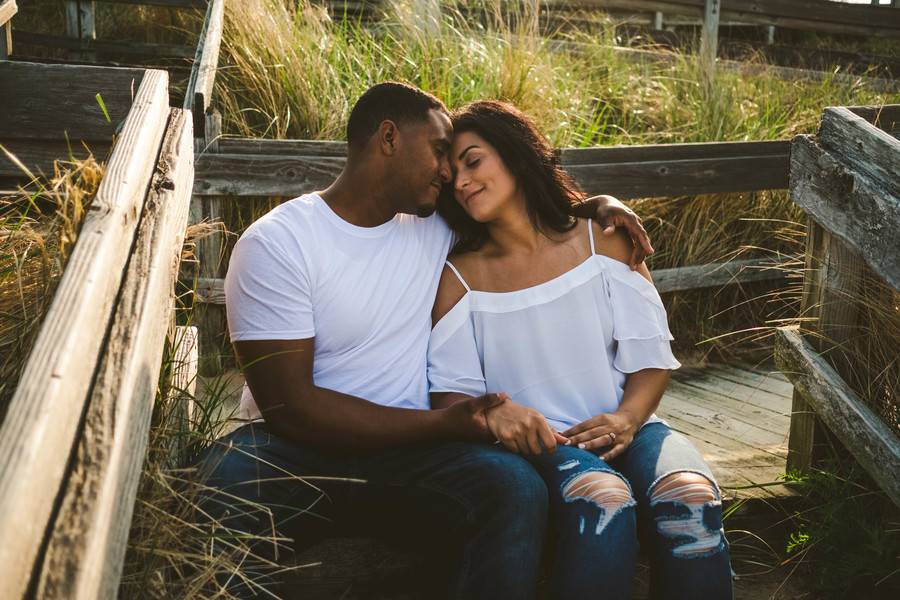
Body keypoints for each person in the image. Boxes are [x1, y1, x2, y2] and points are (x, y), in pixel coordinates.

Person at [196, 82, 653, 598]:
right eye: (439, 150)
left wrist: (597, 207)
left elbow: (524, 210)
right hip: (299, 454)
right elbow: (291, 410)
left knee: (514, 488)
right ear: (388, 137)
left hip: (414, 456)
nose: (449, 173)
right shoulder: (279, 243)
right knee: (220, 479)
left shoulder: (434, 223)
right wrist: (448, 421)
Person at [428, 100, 733, 600]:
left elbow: (651, 360)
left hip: (632, 427)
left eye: (474, 160)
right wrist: (503, 415)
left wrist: (628, 419)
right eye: (452, 172)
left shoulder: (605, 241)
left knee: (691, 497)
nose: (461, 181)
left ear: (514, 155)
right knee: (604, 500)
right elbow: (450, 399)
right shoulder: (459, 279)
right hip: (546, 446)